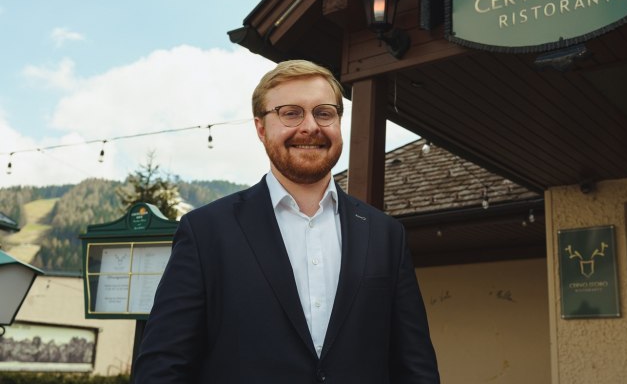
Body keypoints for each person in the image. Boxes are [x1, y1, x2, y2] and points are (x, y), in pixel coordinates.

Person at [133, 60, 440, 383]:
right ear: (261, 128)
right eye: (291, 113)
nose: (310, 127)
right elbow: (162, 368)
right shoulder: (206, 232)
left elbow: (415, 367)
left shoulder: (386, 235)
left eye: (324, 113)